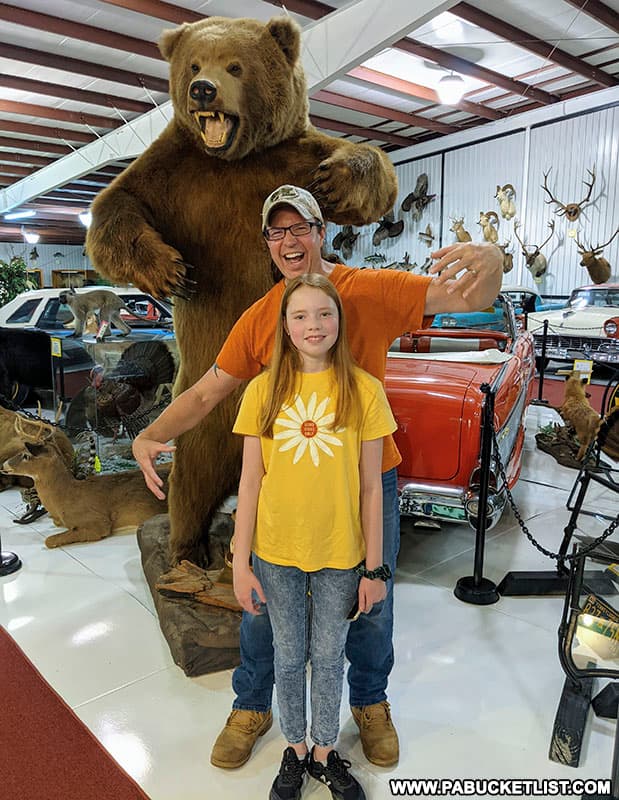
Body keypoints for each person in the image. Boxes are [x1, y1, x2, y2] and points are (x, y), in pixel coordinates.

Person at [133, 184, 503, 770]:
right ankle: (252, 704)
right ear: (267, 245)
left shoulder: (372, 289)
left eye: (298, 227)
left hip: (365, 480)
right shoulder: (263, 318)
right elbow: (206, 391)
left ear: (321, 230)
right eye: (276, 232)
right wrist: (154, 433)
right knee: (262, 599)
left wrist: (493, 260)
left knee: (370, 598)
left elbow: (466, 296)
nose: (288, 241)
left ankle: (370, 702)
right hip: (288, 488)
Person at [233, 273, 396, 800]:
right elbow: (250, 482)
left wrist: (374, 568)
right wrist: (240, 562)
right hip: (276, 551)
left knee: (329, 654)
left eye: (324, 314)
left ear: (339, 321)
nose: (313, 325)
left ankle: (325, 751)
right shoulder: (263, 390)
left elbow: (372, 489)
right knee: (287, 653)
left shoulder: (363, 389)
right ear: (284, 326)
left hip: (340, 554)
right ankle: (295, 747)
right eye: (300, 315)